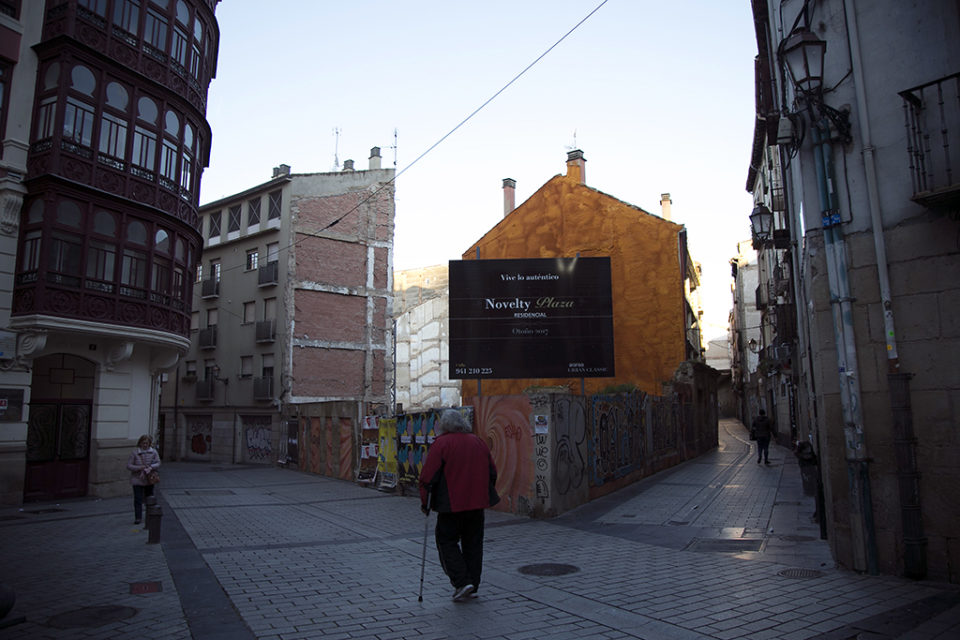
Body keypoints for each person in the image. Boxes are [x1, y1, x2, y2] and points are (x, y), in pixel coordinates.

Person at [419, 409, 500, 602]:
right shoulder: (478, 442)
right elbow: (492, 472)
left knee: (446, 541)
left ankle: (462, 582)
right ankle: (472, 583)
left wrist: (425, 503)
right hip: (476, 504)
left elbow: (428, 478)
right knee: (473, 543)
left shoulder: (441, 444)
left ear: (444, 426)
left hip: (451, 505)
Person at [126, 434, 161, 524]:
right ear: (140, 443)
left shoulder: (153, 452)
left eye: (147, 443)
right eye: (143, 443)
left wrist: (151, 467)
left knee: (149, 498)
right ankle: (138, 517)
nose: (145, 445)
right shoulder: (135, 453)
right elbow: (129, 465)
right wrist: (139, 468)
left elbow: (158, 463)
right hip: (137, 479)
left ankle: (150, 515)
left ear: (149, 444)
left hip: (149, 479)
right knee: (138, 498)